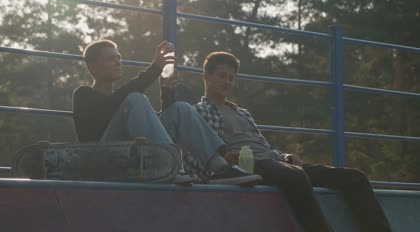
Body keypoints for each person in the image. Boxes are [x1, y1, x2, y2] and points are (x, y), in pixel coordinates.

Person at [184, 51, 391, 231]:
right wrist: (224, 160)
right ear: (206, 76)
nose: (227, 82)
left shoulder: (242, 113)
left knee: (355, 178)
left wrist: (286, 156)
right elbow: (195, 155)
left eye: (231, 78)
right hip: (246, 166)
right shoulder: (198, 112)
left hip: (274, 162)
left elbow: (265, 146)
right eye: (222, 76)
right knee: (295, 176)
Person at [72, 39, 261, 185]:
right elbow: (111, 106)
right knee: (136, 98)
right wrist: (155, 69)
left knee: (181, 108)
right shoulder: (83, 94)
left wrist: (167, 94)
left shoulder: (125, 102)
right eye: (111, 58)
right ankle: (170, 167)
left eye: (119, 57)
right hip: (104, 159)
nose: (119, 62)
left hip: (135, 155)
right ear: (92, 66)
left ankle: (220, 167)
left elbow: (152, 130)